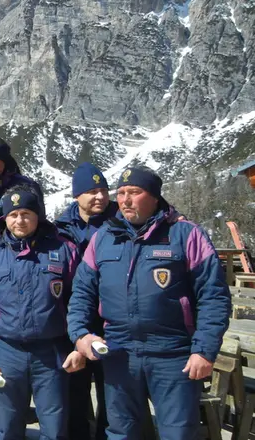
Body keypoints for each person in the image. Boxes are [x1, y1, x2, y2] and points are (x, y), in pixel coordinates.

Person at [68, 167, 232, 440]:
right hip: (119, 352)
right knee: (121, 432)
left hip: (173, 354)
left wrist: (204, 350)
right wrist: (81, 335)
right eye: (120, 194)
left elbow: (213, 296)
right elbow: (82, 294)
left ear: (155, 196)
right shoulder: (104, 237)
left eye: (134, 192)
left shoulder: (186, 234)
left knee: (178, 433)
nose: (125, 200)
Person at [0, 184, 85, 440]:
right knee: (8, 427)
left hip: (52, 353)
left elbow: (81, 300)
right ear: (5, 218)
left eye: (26, 214)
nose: (19, 220)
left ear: (38, 215)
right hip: (8, 353)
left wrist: (79, 345)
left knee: (54, 428)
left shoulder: (64, 250)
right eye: (13, 215)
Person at [54, 163, 116, 440]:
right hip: (74, 320)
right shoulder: (60, 228)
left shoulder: (121, 222)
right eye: (92, 191)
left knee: (112, 392)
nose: (100, 197)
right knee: (74, 390)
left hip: (111, 320)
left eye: (103, 190)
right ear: (77, 195)